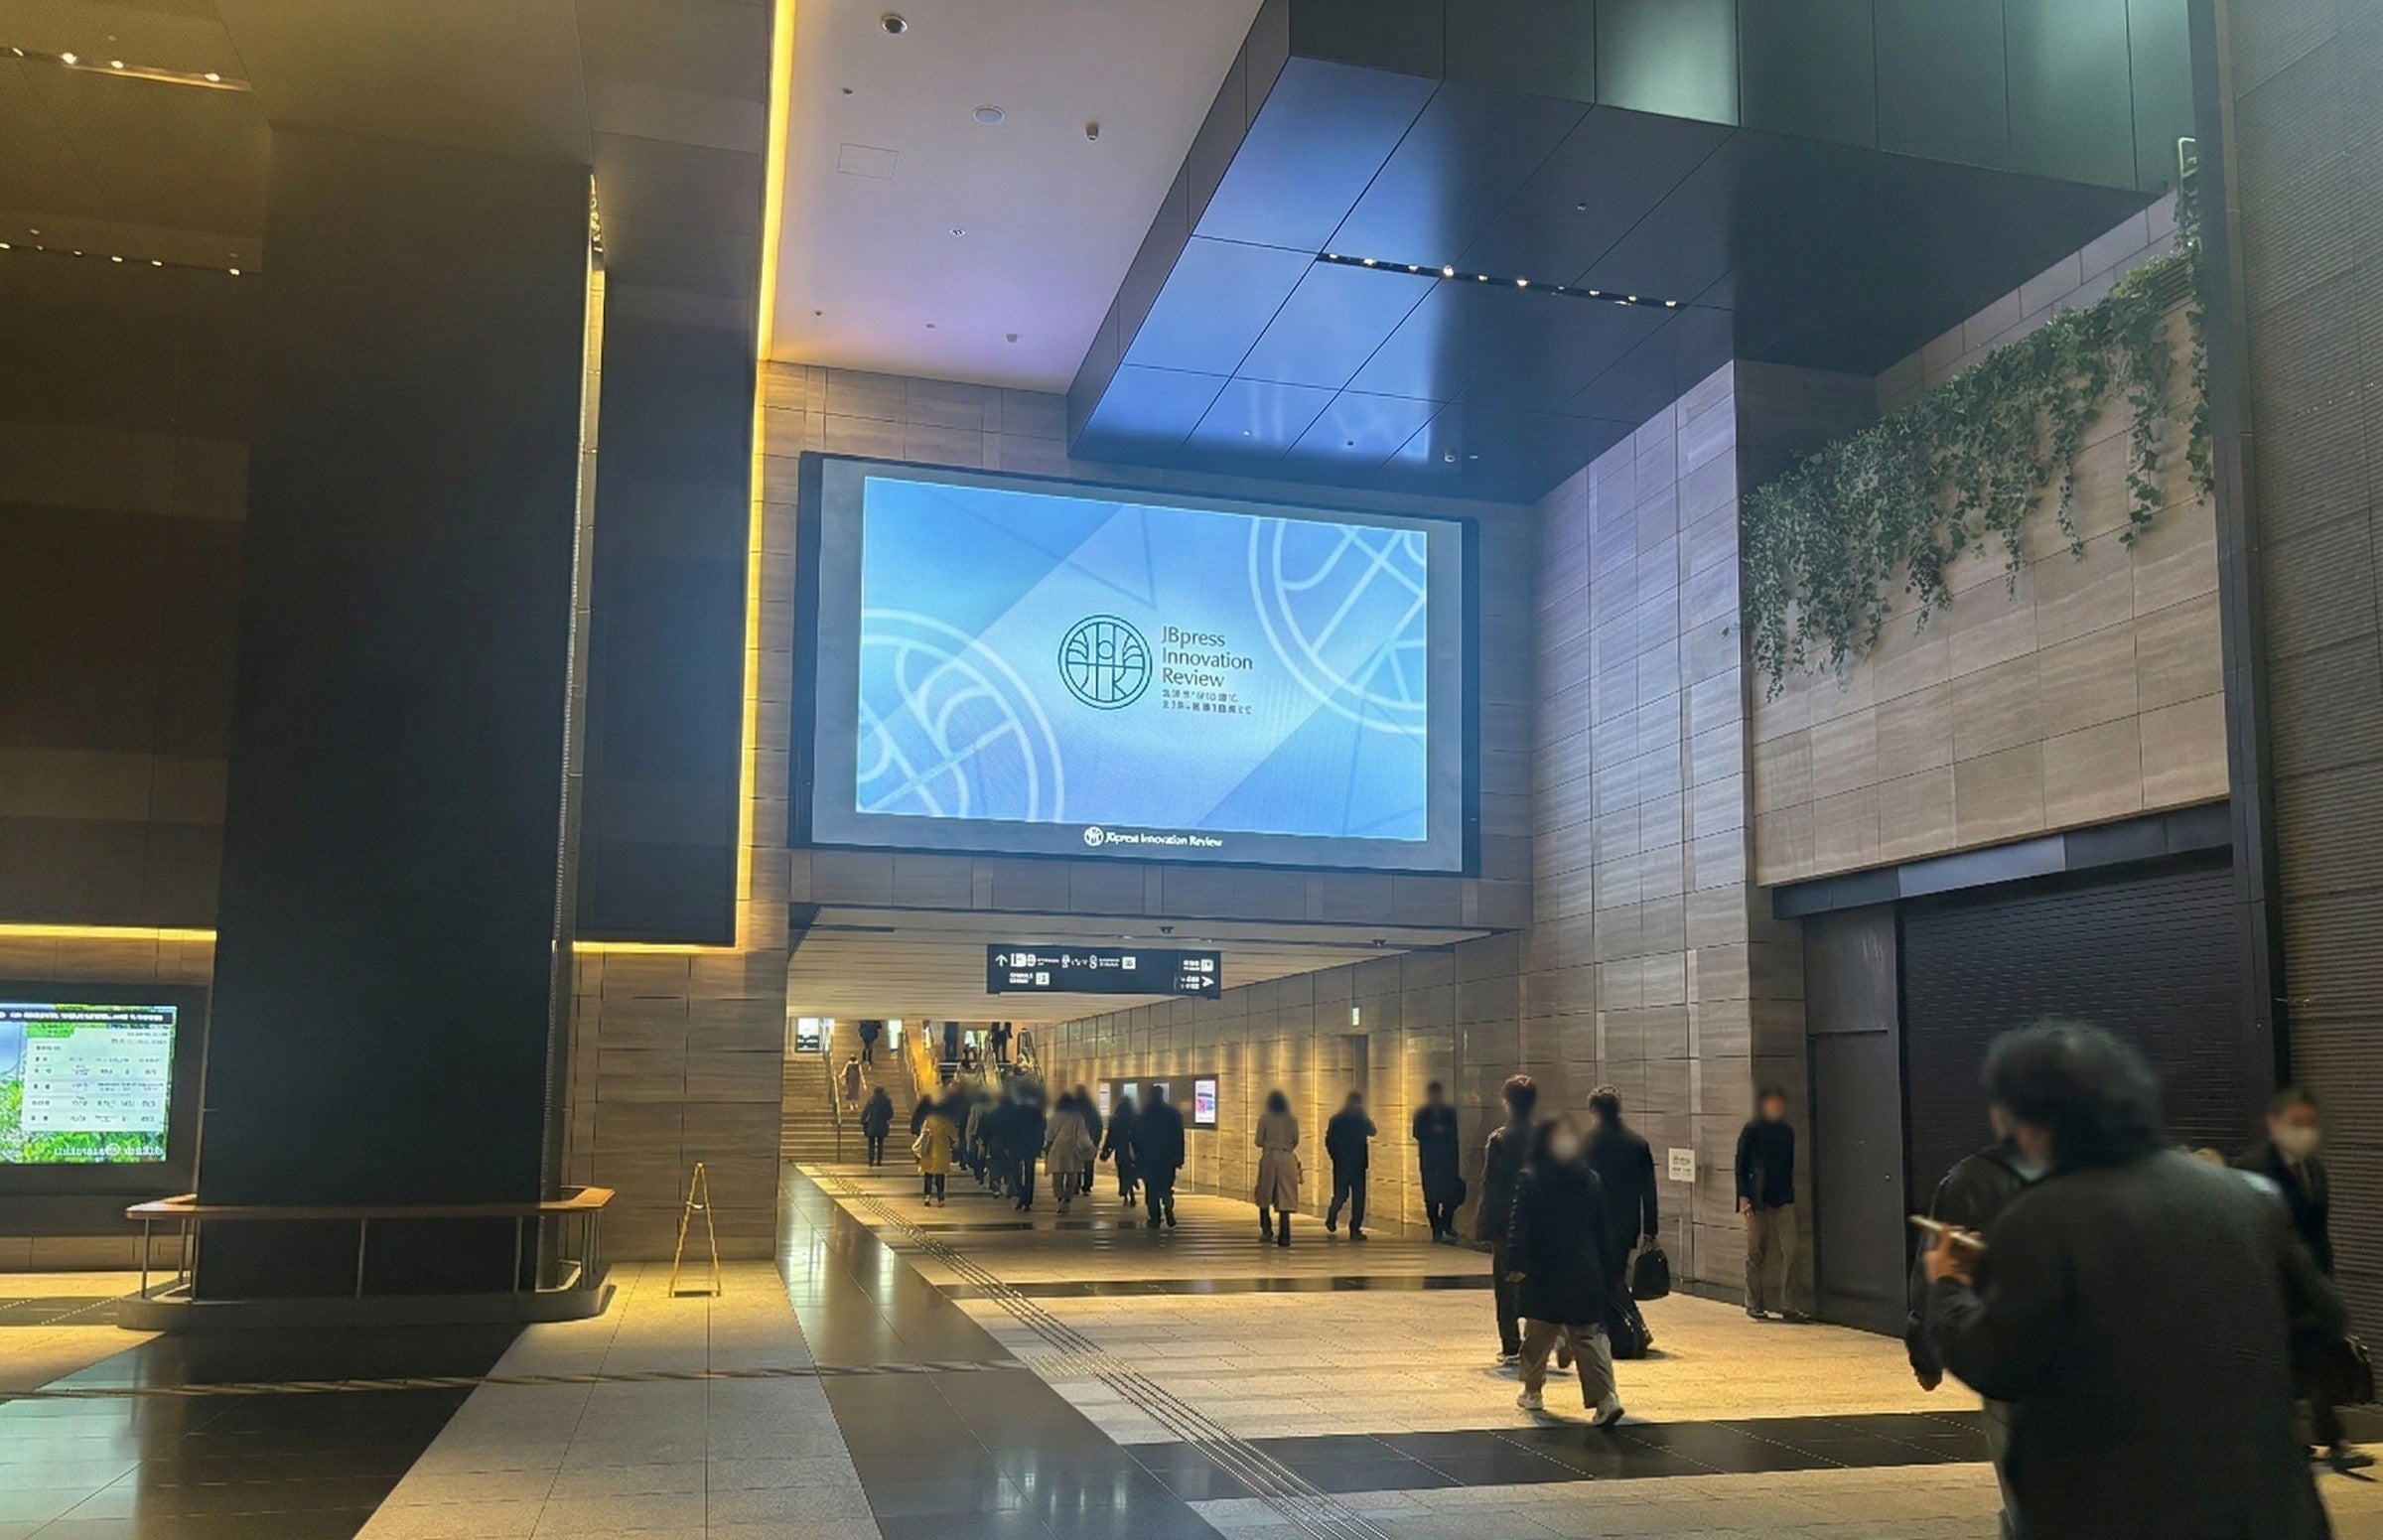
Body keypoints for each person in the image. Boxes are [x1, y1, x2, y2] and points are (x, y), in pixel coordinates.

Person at [1923, 1023, 2344, 1540]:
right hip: (2269, 1508)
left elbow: (1998, 1363)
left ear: (2026, 1120)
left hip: (2116, 1509)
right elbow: (2323, 1321)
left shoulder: (2043, 1215)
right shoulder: (2247, 1195)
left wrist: (1949, 1286)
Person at [2237, 1088, 2373, 1473]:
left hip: (2309, 1287)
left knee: (2319, 1364)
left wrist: (2325, 1278)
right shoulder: (2252, 1169)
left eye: (2310, 1124)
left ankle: (2332, 1442)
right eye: (2296, 1123)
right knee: (2279, 1370)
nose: (2305, 1132)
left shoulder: (2314, 1169)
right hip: (2271, 1288)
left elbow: (2318, 1233)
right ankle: (2291, 1442)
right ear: (2274, 1124)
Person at [1506, 1116, 1624, 1426]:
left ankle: (1532, 1391)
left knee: (1538, 1333)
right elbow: (1603, 1229)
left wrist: (1516, 1263)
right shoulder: (1589, 1178)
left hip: (1544, 1270)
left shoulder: (1531, 1177)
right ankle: (1606, 1398)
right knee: (1587, 1335)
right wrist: (1610, 1270)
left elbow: (1520, 1224)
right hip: (1583, 1270)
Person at [1584, 1086, 1658, 1346]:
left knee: (1605, 1278)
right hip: (1626, 1224)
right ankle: (1621, 1327)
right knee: (1615, 1274)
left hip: (1592, 1222)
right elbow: (1648, 1189)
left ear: (1594, 1110)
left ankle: (1630, 1326)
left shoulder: (1584, 1144)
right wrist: (1651, 1228)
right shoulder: (1637, 1143)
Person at [1478, 1074, 1539, 1365]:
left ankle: (1511, 1345)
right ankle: (1542, 1337)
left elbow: (1491, 1185)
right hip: (1540, 1220)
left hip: (1506, 1221)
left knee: (1505, 1286)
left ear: (1507, 1103)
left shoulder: (1499, 1139)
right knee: (1539, 1281)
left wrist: (1485, 1226)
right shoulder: (1545, 1138)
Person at [1736, 1085, 1804, 1321]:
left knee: (1792, 1250)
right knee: (1755, 1251)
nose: (1775, 1107)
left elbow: (1789, 1166)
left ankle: (1789, 1305)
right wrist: (1743, 1196)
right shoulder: (1752, 1130)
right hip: (1756, 1197)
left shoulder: (1787, 1132)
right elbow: (1740, 1165)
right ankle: (1753, 1302)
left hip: (1783, 1196)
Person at [1413, 1082, 1463, 1243]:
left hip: (1448, 1161)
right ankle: (1436, 1228)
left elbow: (1454, 1134)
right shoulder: (1422, 1113)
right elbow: (1417, 1132)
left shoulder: (1449, 1112)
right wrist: (1433, 1131)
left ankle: (1446, 1223)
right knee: (1431, 1197)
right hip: (1430, 1161)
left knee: (1450, 1196)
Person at [1325, 1090, 1376, 1238]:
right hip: (1343, 1163)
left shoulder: (1362, 1119)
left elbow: (1373, 1131)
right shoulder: (1337, 1120)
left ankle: (1355, 1228)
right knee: (1341, 1195)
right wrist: (1335, 1156)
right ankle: (1332, 1216)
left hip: (1358, 1164)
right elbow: (1330, 1141)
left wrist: (1364, 1117)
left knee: (1359, 1198)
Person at [1254, 1089, 1303, 1247]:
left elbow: (1258, 1141)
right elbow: (1295, 1140)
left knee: (1264, 1194)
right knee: (1285, 1197)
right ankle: (1285, 1235)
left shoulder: (1264, 1118)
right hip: (1287, 1158)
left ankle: (1266, 1230)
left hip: (1269, 1157)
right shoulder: (1292, 1119)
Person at [1139, 1082, 1186, 1229]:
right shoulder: (1173, 1113)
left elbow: (1139, 1137)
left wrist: (1138, 1157)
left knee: (1151, 1189)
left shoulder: (1145, 1113)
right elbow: (1179, 1137)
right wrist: (1179, 1158)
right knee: (1166, 1186)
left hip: (1150, 1158)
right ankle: (1168, 1206)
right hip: (1168, 1158)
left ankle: (1155, 1218)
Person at [1046, 1090, 1096, 1213]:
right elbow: (1083, 1136)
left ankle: (1060, 1199)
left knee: (1057, 1178)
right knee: (1072, 1177)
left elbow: (1048, 1136)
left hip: (1057, 1149)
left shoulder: (1054, 1117)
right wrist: (1090, 1147)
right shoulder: (1077, 1117)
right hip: (1072, 1151)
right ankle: (1067, 1200)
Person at [911, 1096, 956, 1206]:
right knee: (940, 1175)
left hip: (929, 1150)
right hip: (941, 1151)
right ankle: (940, 1198)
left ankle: (927, 1196)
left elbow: (923, 1133)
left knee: (928, 1174)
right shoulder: (946, 1120)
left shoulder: (928, 1120)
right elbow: (953, 1134)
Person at [1008, 1087, 1047, 1211]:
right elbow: (1041, 1129)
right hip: (1030, 1145)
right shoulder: (1036, 1111)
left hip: (1016, 1145)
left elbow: (1008, 1129)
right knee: (1029, 1173)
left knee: (1015, 1172)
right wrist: (1039, 1145)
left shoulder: (1013, 1111)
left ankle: (1022, 1195)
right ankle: (1027, 1199)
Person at [1102, 1092, 1141, 1207]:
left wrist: (1106, 1149)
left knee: (1122, 1171)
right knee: (1131, 1170)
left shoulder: (1116, 1118)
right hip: (1132, 1149)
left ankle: (1125, 1193)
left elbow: (1110, 1136)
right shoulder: (1135, 1118)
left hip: (1121, 1149)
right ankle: (1131, 1190)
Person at [859, 1085, 895, 1166]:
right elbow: (890, 1113)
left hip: (872, 1124)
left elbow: (866, 1111)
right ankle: (879, 1160)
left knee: (871, 1143)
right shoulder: (887, 1101)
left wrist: (862, 1120)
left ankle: (871, 1160)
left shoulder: (871, 1100)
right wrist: (886, 1118)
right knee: (880, 1143)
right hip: (882, 1124)